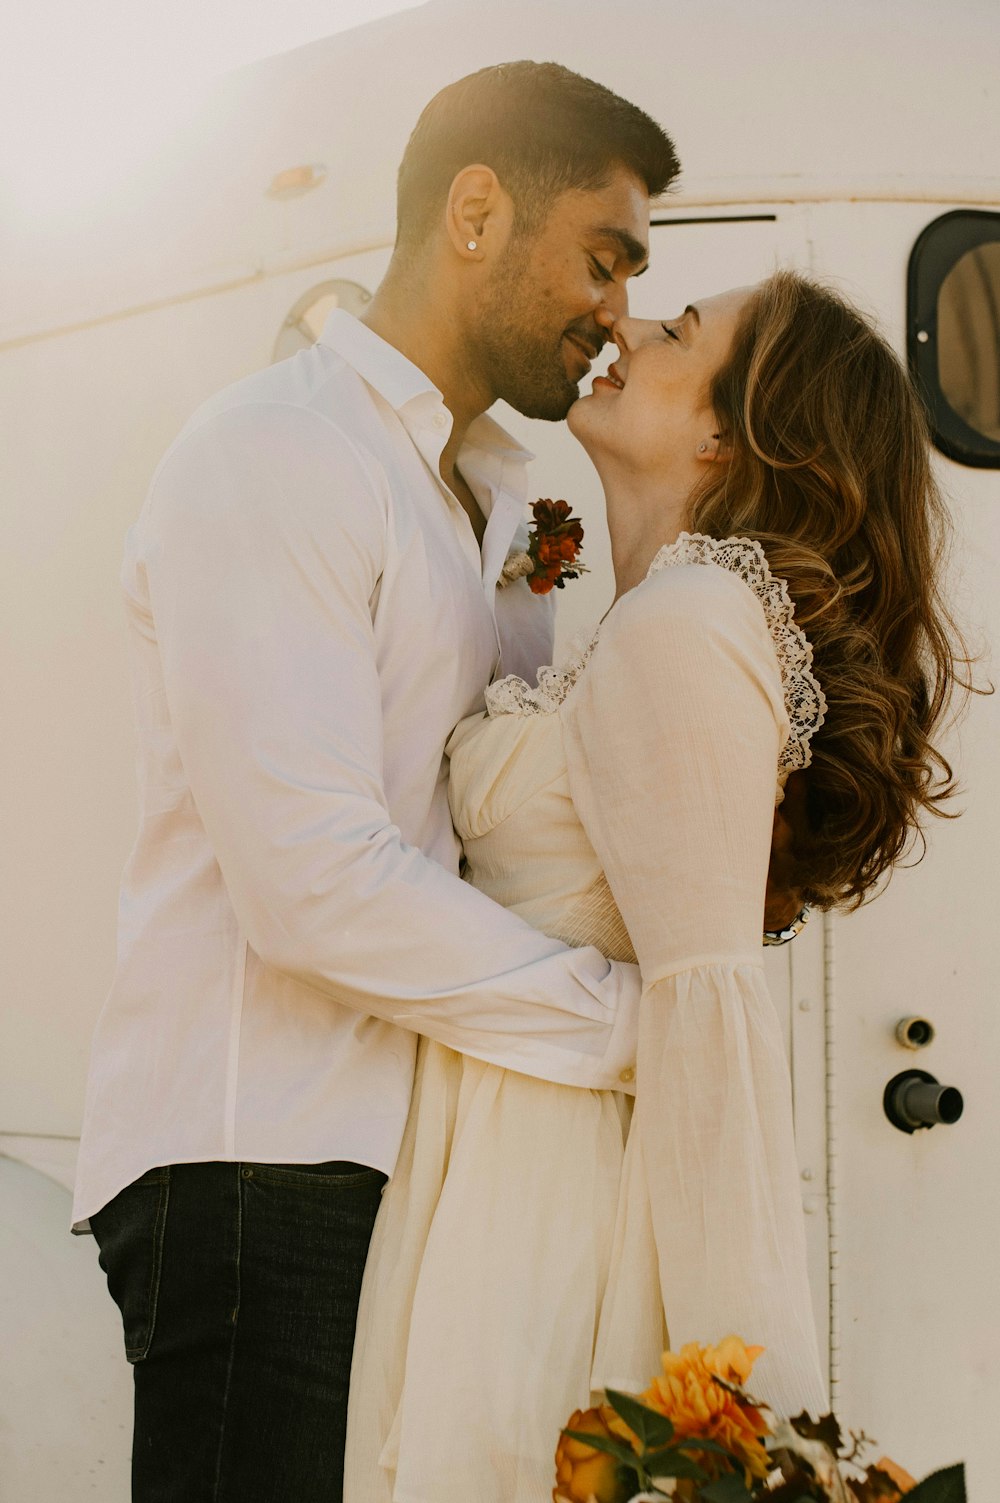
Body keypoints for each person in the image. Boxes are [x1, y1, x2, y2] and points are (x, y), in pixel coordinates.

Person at [73, 62, 688, 1503]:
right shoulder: (276, 453)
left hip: (407, 1165)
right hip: (257, 1166)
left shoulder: (495, 495)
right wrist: (626, 1029)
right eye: (604, 259)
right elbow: (313, 883)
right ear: (477, 210)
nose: (616, 310)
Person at [344, 271, 968, 1501]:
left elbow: (706, 1005)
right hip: (499, 1150)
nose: (622, 327)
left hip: (551, 1192)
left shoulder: (687, 622)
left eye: (677, 333)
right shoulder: (653, 616)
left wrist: (752, 1412)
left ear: (732, 431)